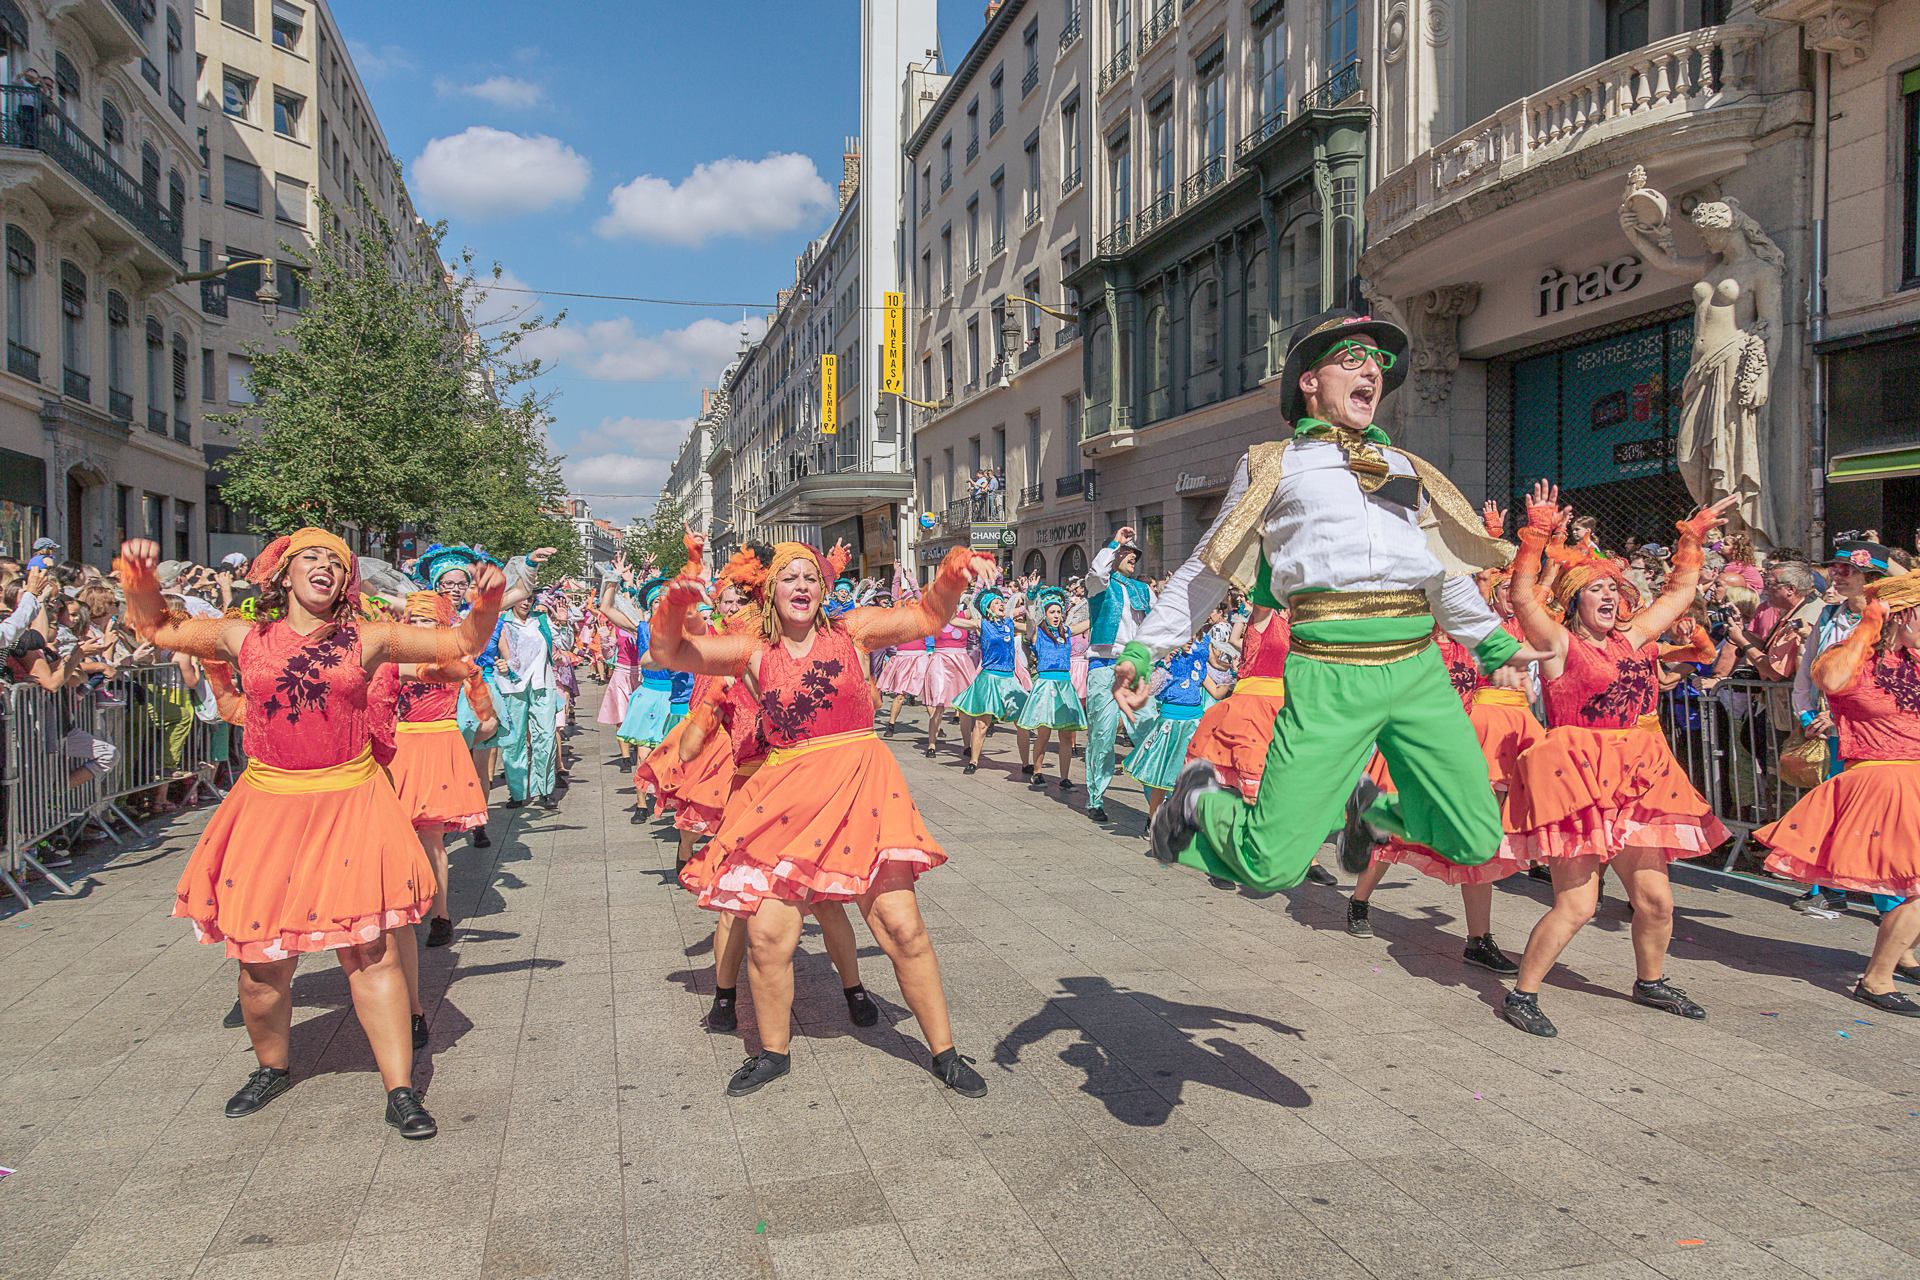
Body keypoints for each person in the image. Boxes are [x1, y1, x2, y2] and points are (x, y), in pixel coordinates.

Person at [1115, 307, 1534, 889]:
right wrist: (1142, 652)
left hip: (1419, 671)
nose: (1373, 372)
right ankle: (1197, 807)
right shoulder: (1271, 464)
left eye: (1380, 362)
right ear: (1309, 380)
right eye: (1353, 359)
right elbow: (1205, 570)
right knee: (1269, 868)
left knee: (1476, 836)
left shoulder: (1403, 466)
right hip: (1328, 672)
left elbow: (1438, 571)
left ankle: (1372, 815)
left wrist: (1492, 643)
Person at [116, 529, 504, 1138]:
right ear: (284, 572)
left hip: (351, 802)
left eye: (336, 561)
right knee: (260, 964)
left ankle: (400, 1089)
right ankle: (272, 1066)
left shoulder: (369, 638)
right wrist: (139, 585)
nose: (324, 567)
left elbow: (458, 642)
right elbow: (159, 629)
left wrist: (485, 604)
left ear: (347, 581)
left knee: (371, 949)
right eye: (312, 557)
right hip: (269, 807)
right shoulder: (242, 636)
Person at [650, 542, 998, 1098]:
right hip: (786, 797)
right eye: (789, 577)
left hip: (862, 788)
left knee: (901, 928)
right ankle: (773, 1052)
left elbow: (930, 614)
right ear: (772, 591)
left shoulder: (853, 630)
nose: (801, 586)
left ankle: (945, 1052)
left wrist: (954, 571)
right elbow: (674, 652)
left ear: (824, 587)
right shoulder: (752, 651)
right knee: (767, 936)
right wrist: (672, 605)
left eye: (810, 576)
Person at [1497, 482, 1735, 1038]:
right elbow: (1524, 597)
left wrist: (1692, 541)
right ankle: (1523, 992)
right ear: (1575, 600)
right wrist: (1533, 538)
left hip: (1638, 773)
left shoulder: (1634, 636)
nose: (1608, 596)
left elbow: (1679, 593)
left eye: (1613, 589)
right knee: (1577, 904)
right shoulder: (1558, 643)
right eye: (1595, 590)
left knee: (1656, 901)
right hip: (1577, 775)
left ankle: (1648, 981)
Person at [1755, 571, 1920, 1015]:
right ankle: (1877, 978)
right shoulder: (1853, 659)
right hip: (1884, 780)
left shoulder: (1916, 662)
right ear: (1901, 615)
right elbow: (1829, 680)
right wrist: (1870, 621)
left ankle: (1898, 954)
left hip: (1915, 780)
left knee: (1911, 886)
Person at [381, 592, 496, 955]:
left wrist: (459, 742)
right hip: (400, 748)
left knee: (431, 836)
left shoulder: (454, 657)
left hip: (436, 745)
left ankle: (441, 915)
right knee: (396, 835)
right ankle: (404, 902)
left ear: (441, 624)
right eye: (413, 619)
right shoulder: (393, 657)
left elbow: (488, 720)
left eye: (426, 619)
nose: (417, 625)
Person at [1786, 541, 1896, 914]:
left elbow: (1891, 687)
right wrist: (1805, 716)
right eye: (1835, 568)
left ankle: (1892, 908)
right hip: (1833, 737)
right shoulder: (1830, 614)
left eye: (1847, 570)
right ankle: (1829, 887)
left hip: (1877, 741)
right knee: (1834, 815)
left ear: (1872, 578)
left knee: (1879, 826)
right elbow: (1806, 674)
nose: (1837, 575)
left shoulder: (1895, 621)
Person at [1082, 529, 1154, 823]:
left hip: (1134, 667)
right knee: (1103, 735)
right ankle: (1096, 798)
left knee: (1149, 732)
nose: (1133, 557)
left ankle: (1156, 803)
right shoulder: (1099, 585)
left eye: (1135, 554)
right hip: (1104, 666)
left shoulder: (1144, 590)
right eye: (1128, 552)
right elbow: (1097, 570)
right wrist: (1115, 541)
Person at [950, 588, 1031, 776]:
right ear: (988, 609)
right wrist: (951, 596)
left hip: (1009, 679)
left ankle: (1026, 763)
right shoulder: (982, 624)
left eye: (1002, 601)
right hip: (989, 678)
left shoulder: (1011, 623)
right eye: (997, 603)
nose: (1001, 604)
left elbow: (1032, 628)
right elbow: (953, 621)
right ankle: (974, 761)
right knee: (982, 723)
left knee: (1022, 722)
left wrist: (1031, 599)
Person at [1014, 587, 1088, 793]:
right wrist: (1030, 599)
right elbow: (1029, 620)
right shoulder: (1037, 633)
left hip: (1065, 685)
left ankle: (1064, 778)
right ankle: (1037, 772)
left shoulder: (1068, 631)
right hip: (1046, 686)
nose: (1056, 616)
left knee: (1066, 736)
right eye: (1052, 612)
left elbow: (1091, 622)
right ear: (1045, 614)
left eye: (1058, 612)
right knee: (1044, 733)